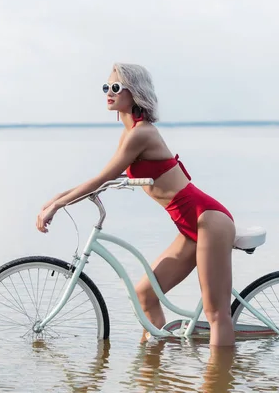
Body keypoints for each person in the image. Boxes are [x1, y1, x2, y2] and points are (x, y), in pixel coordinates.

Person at [36, 63, 237, 347]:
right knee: (145, 294)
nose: (108, 92)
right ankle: (152, 373)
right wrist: (54, 200)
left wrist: (57, 206)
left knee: (216, 313)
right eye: (106, 87)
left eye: (116, 87)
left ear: (135, 92)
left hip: (209, 220)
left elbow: (101, 178)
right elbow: (107, 180)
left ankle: (217, 383)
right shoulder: (129, 134)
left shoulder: (142, 134)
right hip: (189, 226)